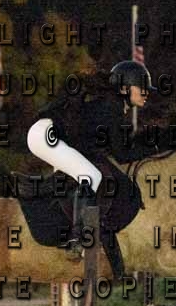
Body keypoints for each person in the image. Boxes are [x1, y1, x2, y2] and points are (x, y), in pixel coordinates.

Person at [27, 60, 157, 258]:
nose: (146, 93)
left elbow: (110, 150)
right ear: (124, 88)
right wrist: (152, 149)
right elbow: (121, 155)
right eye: (142, 88)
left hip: (47, 135)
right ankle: (76, 239)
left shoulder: (112, 105)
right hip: (45, 135)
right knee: (91, 176)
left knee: (82, 177)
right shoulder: (112, 107)